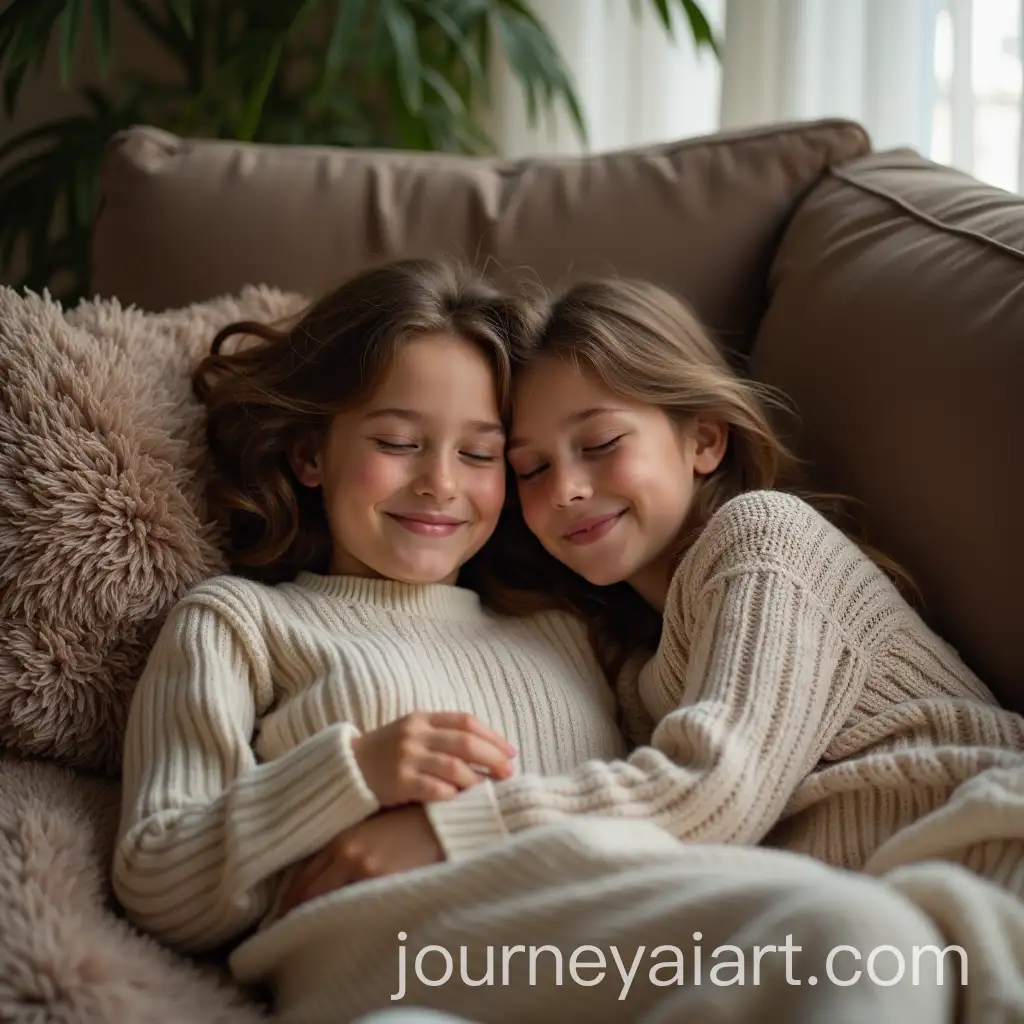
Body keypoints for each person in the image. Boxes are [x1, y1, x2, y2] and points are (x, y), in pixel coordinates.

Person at [113, 260, 952, 1024]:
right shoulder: (240, 622)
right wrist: (350, 771)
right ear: (308, 454)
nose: (440, 480)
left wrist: (447, 825)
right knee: (858, 932)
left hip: (596, 950)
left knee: (860, 940)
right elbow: (156, 876)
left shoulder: (566, 631)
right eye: (399, 442)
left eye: (481, 455)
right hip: (382, 940)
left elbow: (685, 802)